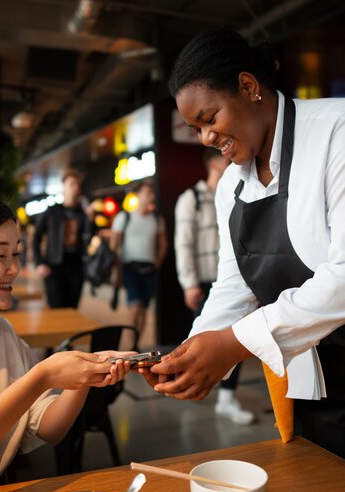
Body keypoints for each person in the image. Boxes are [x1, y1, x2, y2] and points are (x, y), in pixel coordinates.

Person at [141, 27, 345, 458]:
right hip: (312, 380)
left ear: (249, 87)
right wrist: (190, 353)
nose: (206, 139)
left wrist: (233, 345)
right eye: (195, 129)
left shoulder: (335, 132)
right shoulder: (230, 186)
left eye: (210, 119)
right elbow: (234, 283)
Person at [0, 189, 133, 492]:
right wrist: (42, 377)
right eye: (0, 255)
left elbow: (49, 428)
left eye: (16, 254)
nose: (14, 269)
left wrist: (84, 375)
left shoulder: (3, 333)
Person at [174, 148, 254, 425]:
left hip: (234, 278)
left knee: (236, 337)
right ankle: (197, 384)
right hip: (205, 280)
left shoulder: (237, 190)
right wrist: (189, 282)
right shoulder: (191, 199)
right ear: (212, 163)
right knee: (205, 340)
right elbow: (183, 242)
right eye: (222, 158)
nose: (230, 161)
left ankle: (227, 398)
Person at [110, 181, 168, 337]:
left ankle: (136, 343)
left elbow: (163, 244)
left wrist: (158, 262)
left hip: (149, 268)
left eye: (152, 193)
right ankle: (129, 343)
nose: (152, 197)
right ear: (138, 195)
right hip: (130, 267)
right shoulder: (125, 217)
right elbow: (113, 245)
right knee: (134, 307)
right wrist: (114, 268)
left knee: (143, 310)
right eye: (148, 193)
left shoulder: (156, 219)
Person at [32, 169, 90, 308]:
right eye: (72, 184)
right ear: (64, 187)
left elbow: (88, 238)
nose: (75, 187)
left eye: (77, 184)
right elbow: (36, 237)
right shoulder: (52, 211)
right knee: (56, 307)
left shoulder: (83, 214)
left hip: (76, 266)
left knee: (72, 308)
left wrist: (91, 221)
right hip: (54, 266)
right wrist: (39, 262)